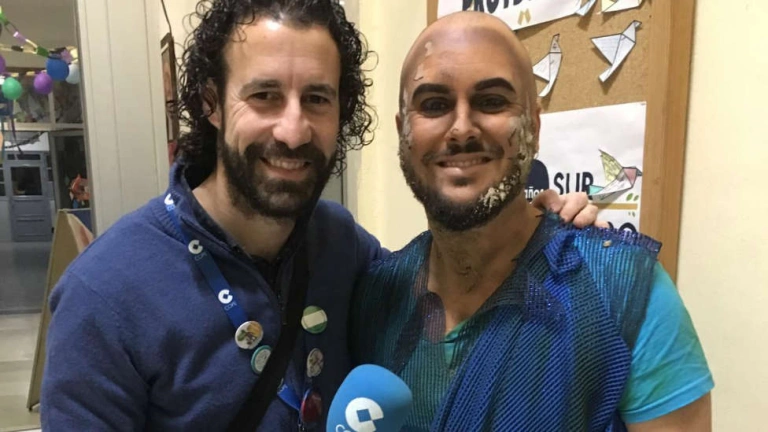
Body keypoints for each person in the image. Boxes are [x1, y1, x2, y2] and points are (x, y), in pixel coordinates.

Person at [40, 1, 598, 431]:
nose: (293, 130)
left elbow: (450, 284)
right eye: (264, 95)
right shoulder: (103, 295)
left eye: (316, 99)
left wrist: (535, 228)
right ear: (211, 102)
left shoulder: (340, 244)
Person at [351, 11, 713, 432]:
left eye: (491, 101)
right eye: (434, 105)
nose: (462, 129)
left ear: (534, 128)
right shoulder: (374, 296)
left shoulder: (623, 293)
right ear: (403, 133)